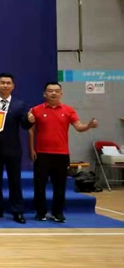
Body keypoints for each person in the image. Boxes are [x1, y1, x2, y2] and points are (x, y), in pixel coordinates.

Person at [28, 82, 98, 222]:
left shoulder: (68, 110)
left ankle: (57, 213)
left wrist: (89, 126)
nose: (53, 93)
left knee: (60, 185)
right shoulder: (35, 110)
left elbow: (79, 127)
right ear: (44, 94)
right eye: (50, 91)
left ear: (61, 94)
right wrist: (32, 149)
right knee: (39, 185)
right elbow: (31, 130)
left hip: (62, 154)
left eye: (56, 91)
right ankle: (40, 213)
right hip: (42, 154)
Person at [0, 73, 32, 224]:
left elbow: (25, 125)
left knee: (15, 181)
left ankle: (17, 211)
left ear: (13, 86)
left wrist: (30, 120)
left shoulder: (20, 105)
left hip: (13, 149)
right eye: (2, 82)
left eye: (8, 83)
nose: (5, 85)